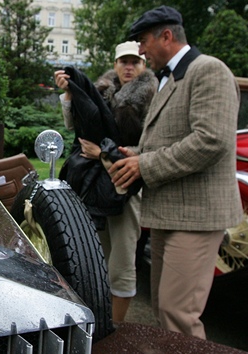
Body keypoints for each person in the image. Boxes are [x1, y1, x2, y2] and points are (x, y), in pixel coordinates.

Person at [109, 5, 242, 339]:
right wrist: (135, 154)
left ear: (166, 35)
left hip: (197, 216)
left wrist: (145, 164)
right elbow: (169, 138)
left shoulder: (209, 70)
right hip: (171, 214)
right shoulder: (170, 78)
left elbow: (211, 141)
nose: (139, 50)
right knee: (163, 309)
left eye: (142, 40)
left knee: (178, 314)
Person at [54, 41, 157, 323]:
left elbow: (151, 148)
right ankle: (96, 324)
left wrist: (102, 154)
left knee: (122, 262)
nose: (128, 67)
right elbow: (75, 128)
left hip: (127, 185)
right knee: (96, 254)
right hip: (95, 186)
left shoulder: (153, 97)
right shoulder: (99, 91)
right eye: (123, 61)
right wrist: (69, 93)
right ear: (114, 64)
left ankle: (115, 330)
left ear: (143, 65)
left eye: (134, 62)